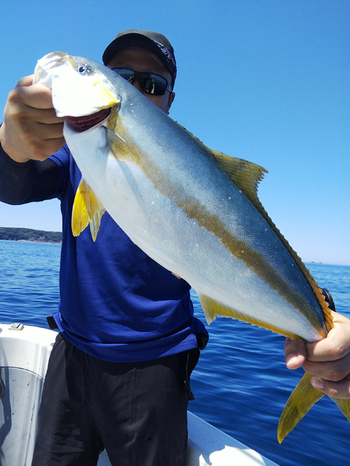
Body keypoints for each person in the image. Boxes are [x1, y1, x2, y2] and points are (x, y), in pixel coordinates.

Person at [0, 28, 349, 465]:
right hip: (71, 356)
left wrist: (324, 316)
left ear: (169, 100)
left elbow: (245, 245)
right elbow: (14, 185)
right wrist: (9, 147)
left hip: (153, 368)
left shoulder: (199, 175)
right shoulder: (76, 154)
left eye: (153, 84)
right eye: (122, 77)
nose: (138, 88)